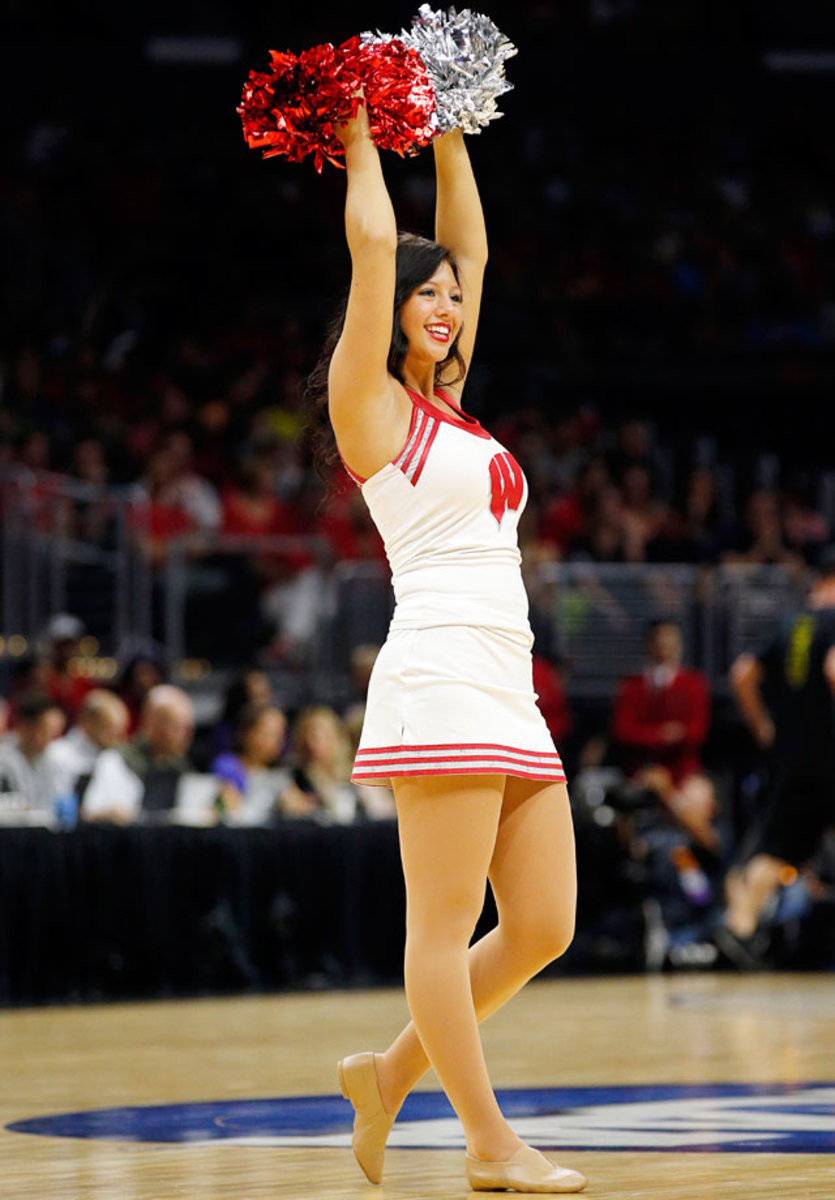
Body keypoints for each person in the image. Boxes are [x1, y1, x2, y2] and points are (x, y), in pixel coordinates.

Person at [306, 98, 584, 1192]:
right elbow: (378, 242)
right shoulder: (370, 402)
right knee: (443, 925)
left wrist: (451, 126)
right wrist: (360, 127)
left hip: (505, 683)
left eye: (453, 298)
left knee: (545, 924)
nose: (447, 305)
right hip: (438, 674)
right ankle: (486, 1142)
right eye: (427, 294)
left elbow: (469, 245)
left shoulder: (454, 403)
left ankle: (385, 1078)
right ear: (389, 308)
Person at [716, 554, 835, 967]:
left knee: (776, 846)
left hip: (791, 758)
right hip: (829, 753)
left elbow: (742, 673)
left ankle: (740, 928)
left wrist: (764, 727)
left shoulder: (789, 623)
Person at [611, 619, 719, 852]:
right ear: (649, 645)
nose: (666, 649)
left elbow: (696, 732)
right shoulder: (632, 686)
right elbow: (624, 731)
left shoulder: (693, 684)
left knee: (698, 802)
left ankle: (700, 862)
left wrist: (667, 788)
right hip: (642, 772)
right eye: (661, 643)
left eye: (672, 643)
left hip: (684, 772)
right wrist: (663, 734)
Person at [81, 684, 195, 822]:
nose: (186, 736)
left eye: (188, 729)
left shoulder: (182, 767)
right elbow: (91, 813)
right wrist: (114, 814)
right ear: (152, 723)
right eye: (177, 728)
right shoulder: (118, 761)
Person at [42, 688, 130, 806]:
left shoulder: (113, 758)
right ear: (88, 723)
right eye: (109, 729)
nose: (117, 737)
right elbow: (56, 805)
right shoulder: (57, 755)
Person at [211, 701, 291, 825]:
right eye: (270, 734)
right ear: (246, 734)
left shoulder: (281, 773)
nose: (278, 742)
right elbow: (226, 806)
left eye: (281, 735)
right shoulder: (227, 766)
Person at [0, 693, 66, 812]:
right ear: (26, 726)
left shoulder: (50, 759)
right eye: (46, 729)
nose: (51, 737)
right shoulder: (4, 759)